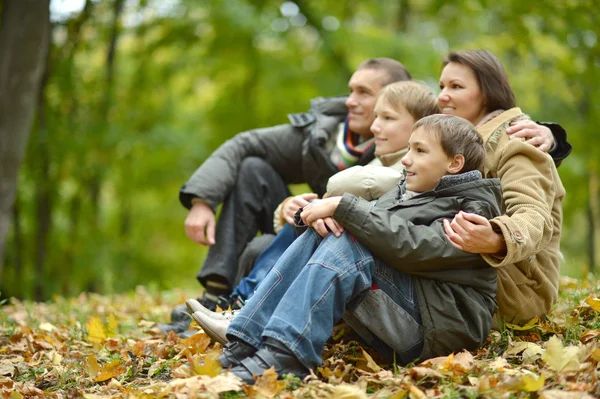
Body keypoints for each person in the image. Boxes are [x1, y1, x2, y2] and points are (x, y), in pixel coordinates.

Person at [192, 114, 503, 384]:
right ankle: (247, 339)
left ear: (455, 163)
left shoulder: (474, 209)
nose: (406, 159)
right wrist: (324, 216)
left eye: (419, 151)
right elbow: (373, 228)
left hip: (437, 328)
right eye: (409, 148)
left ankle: (286, 354)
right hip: (409, 311)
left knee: (349, 232)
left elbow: (417, 248)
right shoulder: (411, 192)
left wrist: (344, 206)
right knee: (333, 227)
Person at [190, 80, 441, 342]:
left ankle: (245, 307)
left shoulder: (411, 166)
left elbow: (359, 185)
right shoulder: (350, 143)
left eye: (386, 117)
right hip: (350, 249)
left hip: (373, 269)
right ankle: (238, 303)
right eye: (376, 117)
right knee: (288, 206)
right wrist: (284, 209)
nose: (375, 126)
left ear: (419, 125)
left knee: (310, 220)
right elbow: (245, 143)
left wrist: (328, 201)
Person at [436, 50, 566, 324]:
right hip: (471, 271)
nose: (443, 95)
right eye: (442, 86)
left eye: (456, 86)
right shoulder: (455, 139)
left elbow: (534, 216)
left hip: (519, 289)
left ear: (487, 93)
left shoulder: (516, 141)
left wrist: (496, 238)